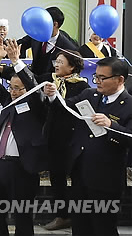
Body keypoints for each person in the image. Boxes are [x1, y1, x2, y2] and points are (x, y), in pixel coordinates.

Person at [44, 56, 132, 235]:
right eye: (96, 77)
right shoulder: (89, 95)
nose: (97, 82)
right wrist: (53, 95)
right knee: (80, 226)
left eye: (102, 78)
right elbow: (65, 108)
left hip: (106, 180)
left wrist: (111, 126)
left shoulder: (129, 105)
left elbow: (129, 137)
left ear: (120, 79)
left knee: (103, 227)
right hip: (80, 175)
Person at [16, 50, 89, 230]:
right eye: (56, 61)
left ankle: (82, 217)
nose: (56, 65)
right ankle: (63, 215)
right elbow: (30, 79)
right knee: (57, 179)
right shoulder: (50, 80)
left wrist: (52, 96)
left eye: (61, 62)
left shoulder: (82, 87)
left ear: (72, 66)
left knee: (79, 179)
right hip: (54, 139)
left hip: (74, 140)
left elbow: (66, 109)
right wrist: (12, 62)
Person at [0, 38, 48, 235]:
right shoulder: (8, 101)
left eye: (18, 88)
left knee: (22, 217)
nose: (13, 92)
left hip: (22, 168)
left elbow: (32, 84)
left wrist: (15, 61)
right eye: (11, 87)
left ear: (28, 89)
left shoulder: (37, 105)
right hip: (0, 165)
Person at [18, 6, 78, 76]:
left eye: (44, 22)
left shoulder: (68, 47)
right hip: (33, 80)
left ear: (55, 24)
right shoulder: (36, 35)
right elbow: (20, 43)